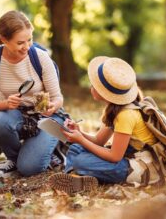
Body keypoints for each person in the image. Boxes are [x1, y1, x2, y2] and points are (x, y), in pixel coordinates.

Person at [49, 56, 158, 193]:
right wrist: (79, 132)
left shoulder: (125, 114)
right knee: (76, 149)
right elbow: (99, 141)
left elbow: (114, 156)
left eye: (94, 84)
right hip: (127, 159)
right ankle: (81, 177)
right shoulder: (115, 108)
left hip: (140, 168)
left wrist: (81, 139)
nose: (91, 87)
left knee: (80, 160)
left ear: (104, 92)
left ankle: (77, 175)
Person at [0, 10, 66, 178]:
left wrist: (52, 106)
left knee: (28, 168)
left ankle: (47, 150)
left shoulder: (40, 57)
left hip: (45, 118)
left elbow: (58, 98)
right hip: (16, 116)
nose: (27, 46)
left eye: (30, 39)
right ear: (4, 40)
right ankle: (14, 159)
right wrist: (6, 104)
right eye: (21, 42)